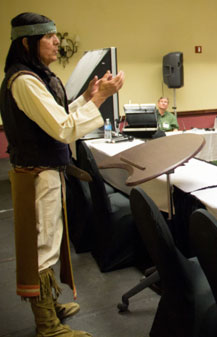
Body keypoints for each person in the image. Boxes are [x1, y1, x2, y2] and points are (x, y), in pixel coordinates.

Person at [0, 12, 125, 336]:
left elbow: (56, 117)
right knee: (42, 247)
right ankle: (48, 326)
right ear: (27, 42)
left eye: (57, 35)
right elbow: (63, 129)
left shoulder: (31, 77)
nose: (58, 42)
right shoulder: (25, 80)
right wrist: (100, 98)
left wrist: (85, 97)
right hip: (37, 177)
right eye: (49, 36)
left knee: (50, 242)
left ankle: (50, 306)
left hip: (44, 174)